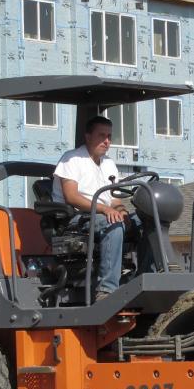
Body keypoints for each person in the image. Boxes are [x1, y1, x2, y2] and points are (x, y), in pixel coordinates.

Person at [52, 115, 146, 301]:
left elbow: (114, 199)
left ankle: (144, 276)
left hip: (103, 213)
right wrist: (105, 210)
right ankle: (107, 289)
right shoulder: (71, 159)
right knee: (113, 224)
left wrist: (122, 211)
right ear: (88, 136)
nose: (106, 141)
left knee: (146, 220)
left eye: (109, 136)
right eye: (101, 135)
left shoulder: (109, 164)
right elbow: (72, 197)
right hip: (77, 218)